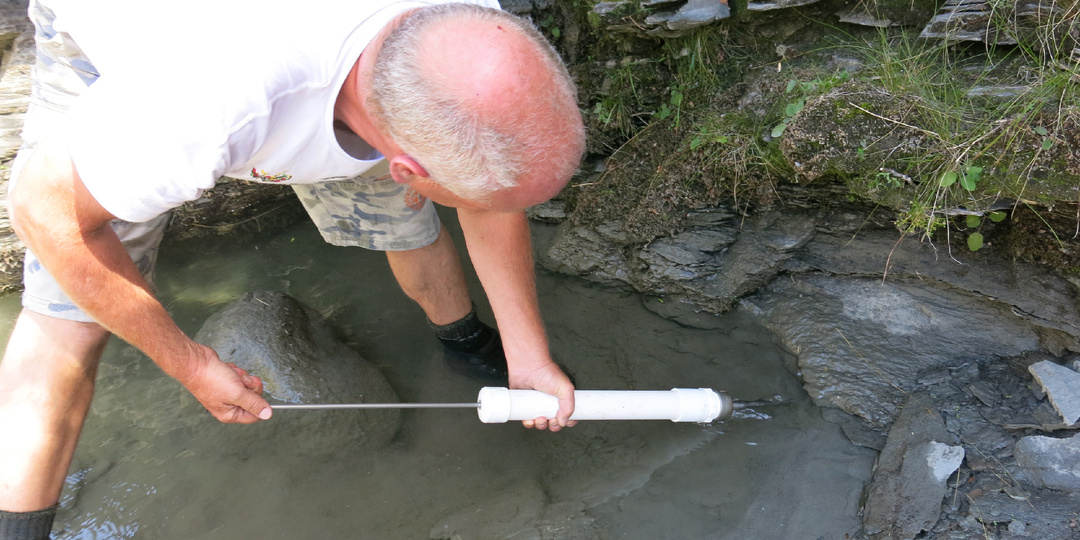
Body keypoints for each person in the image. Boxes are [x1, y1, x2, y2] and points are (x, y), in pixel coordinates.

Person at [0, 0, 585, 537]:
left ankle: (464, 339)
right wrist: (191, 362)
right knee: (66, 323)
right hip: (135, 34)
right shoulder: (202, 103)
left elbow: (496, 198)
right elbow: (45, 213)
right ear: (403, 170)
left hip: (331, 76)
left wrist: (527, 353)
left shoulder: (470, 38)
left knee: (431, 212)